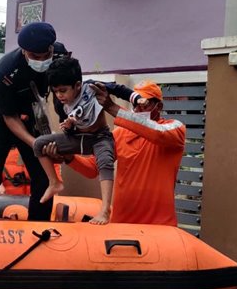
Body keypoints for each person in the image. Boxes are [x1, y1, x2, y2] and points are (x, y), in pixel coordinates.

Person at [44, 80, 186, 226]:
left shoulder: (174, 129)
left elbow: (158, 133)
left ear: (159, 106)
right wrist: (69, 157)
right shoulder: (120, 134)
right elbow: (93, 169)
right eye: (135, 103)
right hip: (122, 222)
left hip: (159, 225)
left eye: (145, 103)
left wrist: (111, 107)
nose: (138, 108)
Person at [32, 57, 146, 224]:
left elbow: (117, 89)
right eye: (55, 91)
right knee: (38, 144)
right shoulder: (59, 103)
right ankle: (54, 182)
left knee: (105, 161)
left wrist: (136, 98)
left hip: (99, 137)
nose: (59, 95)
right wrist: (69, 126)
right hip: (77, 139)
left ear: (77, 85)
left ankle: (105, 210)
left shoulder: (91, 87)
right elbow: (69, 130)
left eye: (63, 91)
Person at [0, 22, 59, 220]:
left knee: (43, 175)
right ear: (24, 51)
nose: (42, 60)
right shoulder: (6, 69)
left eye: (46, 55)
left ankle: (39, 226)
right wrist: (35, 142)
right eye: (36, 57)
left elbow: (62, 92)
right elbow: (9, 117)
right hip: (0, 119)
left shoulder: (60, 56)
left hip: (32, 117)